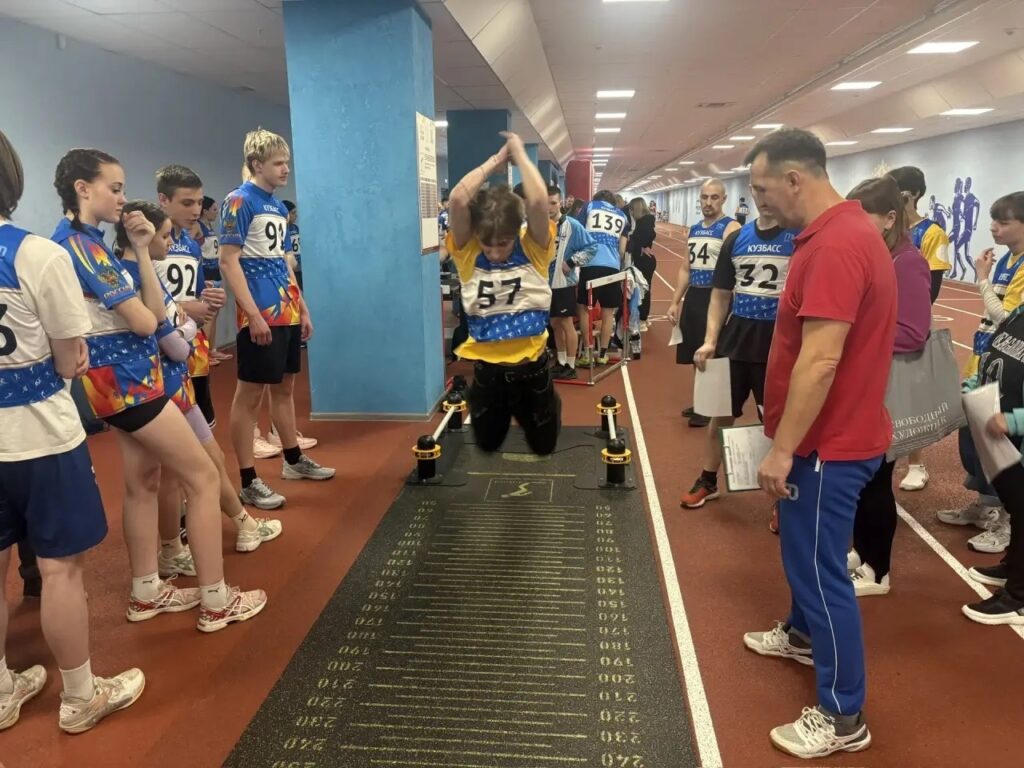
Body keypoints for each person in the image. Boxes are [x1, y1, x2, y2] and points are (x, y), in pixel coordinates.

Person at [53, 147, 266, 632]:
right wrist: (154, 314)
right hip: (127, 383)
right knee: (202, 477)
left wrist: (142, 248)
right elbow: (148, 321)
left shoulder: (92, 242)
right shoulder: (79, 245)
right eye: (114, 188)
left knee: (143, 483)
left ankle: (146, 590)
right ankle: (216, 601)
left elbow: (151, 307)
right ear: (82, 189)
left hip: (126, 381)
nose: (123, 198)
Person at [741, 128, 897, 759]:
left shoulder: (836, 245)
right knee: (807, 559)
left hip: (829, 447)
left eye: (761, 188)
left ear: (794, 179)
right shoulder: (837, 233)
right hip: (831, 438)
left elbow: (821, 360)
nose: (758, 201)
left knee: (819, 570)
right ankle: (803, 636)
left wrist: (783, 450)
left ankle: (843, 717)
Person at [0, 131, 145, 733]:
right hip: (40, 440)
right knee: (60, 569)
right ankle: (80, 696)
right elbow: (68, 359)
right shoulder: (36, 254)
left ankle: (1, 691)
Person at [114, 201, 284, 565]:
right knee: (185, 474)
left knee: (196, 465)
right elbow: (171, 337)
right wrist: (188, 328)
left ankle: (232, 527)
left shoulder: (148, 274)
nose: (169, 241)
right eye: (164, 236)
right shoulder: (134, 278)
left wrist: (185, 325)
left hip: (176, 382)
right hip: (162, 386)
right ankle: (187, 550)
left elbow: (176, 323)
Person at [220, 128, 335, 512]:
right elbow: (228, 261)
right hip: (259, 313)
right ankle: (248, 480)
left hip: (286, 310)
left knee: (285, 388)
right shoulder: (239, 201)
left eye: (287, 162)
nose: (286, 169)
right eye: (278, 163)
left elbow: (285, 263)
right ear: (257, 164)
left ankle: (293, 459)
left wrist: (303, 307)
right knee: (249, 395)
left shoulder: (278, 208)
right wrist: (252, 314)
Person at [844, 177, 931, 597]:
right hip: (868, 383)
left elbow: (913, 332)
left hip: (887, 388)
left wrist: (850, 332)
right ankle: (862, 553)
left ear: (890, 218)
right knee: (863, 479)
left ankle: (878, 571)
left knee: (877, 478)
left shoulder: (907, 262)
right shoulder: (878, 255)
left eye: (862, 218)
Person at [446, 132, 559, 453]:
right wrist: (496, 161)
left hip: (533, 372)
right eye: (488, 244)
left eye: (503, 244)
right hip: (488, 375)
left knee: (544, 446)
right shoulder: (468, 253)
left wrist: (520, 154)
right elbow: (458, 200)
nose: (495, 253)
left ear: (516, 234)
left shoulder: (534, 250)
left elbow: (538, 202)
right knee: (487, 443)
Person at [684, 201, 797, 509]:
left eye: (769, 189)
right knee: (720, 413)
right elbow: (720, 294)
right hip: (735, 340)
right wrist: (710, 340)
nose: (764, 197)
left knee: (775, 421)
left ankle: (783, 498)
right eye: (758, 189)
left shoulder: (797, 237)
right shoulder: (736, 239)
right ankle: (708, 480)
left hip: (776, 344)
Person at [937, 192, 1024, 555]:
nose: (993, 228)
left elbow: (1008, 319)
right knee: (974, 436)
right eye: (993, 220)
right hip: (987, 357)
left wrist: (982, 278)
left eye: (1003, 221)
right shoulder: (1007, 258)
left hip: (1012, 369)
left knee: (1004, 443)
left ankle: (1008, 520)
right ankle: (986, 505)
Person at [887, 166, 951, 491]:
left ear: (911, 194)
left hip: (913, 319)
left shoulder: (932, 233)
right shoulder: (886, 227)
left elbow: (932, 289)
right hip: (885, 318)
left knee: (911, 392)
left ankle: (916, 463)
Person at [962, 305, 1024, 624]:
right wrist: (972, 387)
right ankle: (1013, 568)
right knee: (1018, 508)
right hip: (1005, 441)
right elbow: (991, 359)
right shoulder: (1018, 313)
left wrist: (1013, 421)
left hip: (1013, 433)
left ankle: (1019, 598)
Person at [668, 179, 741, 428]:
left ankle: (711, 407)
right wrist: (675, 301)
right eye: (704, 197)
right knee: (694, 352)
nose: (708, 202)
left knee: (713, 353)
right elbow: (685, 268)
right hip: (695, 296)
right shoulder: (695, 229)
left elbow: (736, 268)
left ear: (723, 199)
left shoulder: (730, 227)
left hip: (717, 296)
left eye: (714, 197)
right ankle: (702, 401)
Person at [547, 185, 596, 380]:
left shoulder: (572, 225)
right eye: (545, 203)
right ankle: (560, 362)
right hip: (545, 283)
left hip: (564, 283)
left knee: (566, 322)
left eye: (553, 203)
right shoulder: (538, 226)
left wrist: (572, 261)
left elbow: (591, 247)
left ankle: (571, 364)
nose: (549, 207)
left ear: (560, 202)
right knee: (554, 323)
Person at [576, 191, 627, 365]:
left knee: (583, 308)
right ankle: (603, 353)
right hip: (612, 266)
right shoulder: (622, 215)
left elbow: (578, 231)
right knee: (608, 312)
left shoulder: (590, 206)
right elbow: (622, 250)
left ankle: (587, 353)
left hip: (591, 263)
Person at [196, 196, 231, 365]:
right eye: (214, 210)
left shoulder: (209, 227)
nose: (217, 213)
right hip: (207, 274)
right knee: (207, 316)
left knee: (214, 315)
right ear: (205, 211)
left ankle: (212, 349)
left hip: (215, 273)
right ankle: (204, 354)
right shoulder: (198, 228)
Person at [627, 198, 657, 331]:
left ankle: (643, 319)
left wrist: (635, 243)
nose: (631, 213)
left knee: (643, 290)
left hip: (645, 261)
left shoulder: (644, 223)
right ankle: (644, 317)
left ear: (636, 209)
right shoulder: (644, 222)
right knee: (643, 289)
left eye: (632, 210)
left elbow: (644, 238)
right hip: (643, 259)